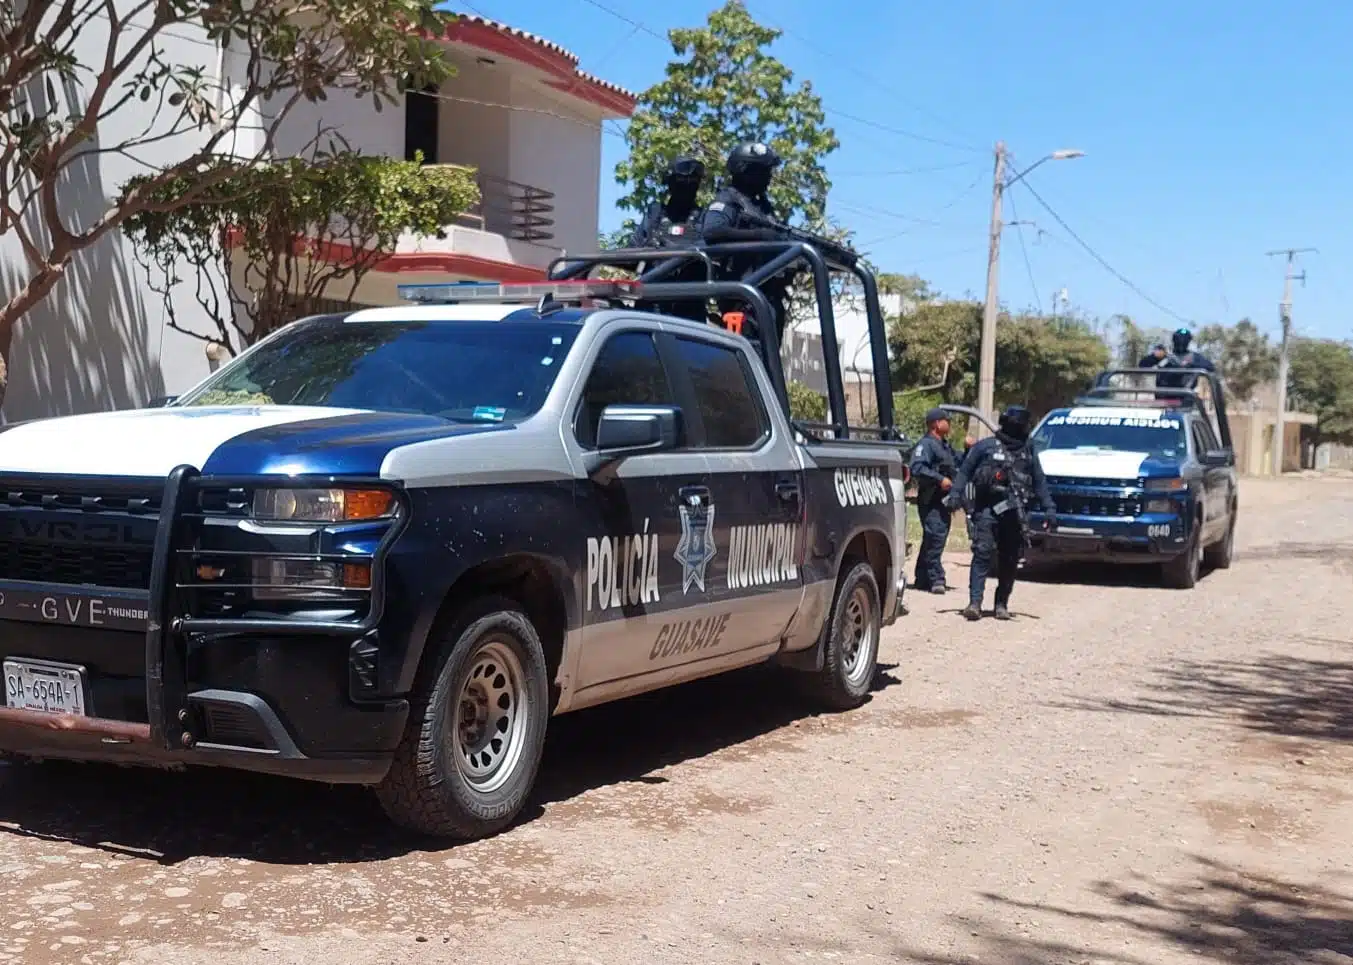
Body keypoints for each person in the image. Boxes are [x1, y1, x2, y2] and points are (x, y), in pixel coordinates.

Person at [947, 405, 1056, 621]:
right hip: (987, 509)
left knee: (1010, 559)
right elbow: (965, 471)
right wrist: (955, 495)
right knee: (982, 553)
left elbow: (1039, 481)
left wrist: (1049, 509)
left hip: (1015, 514)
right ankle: (975, 603)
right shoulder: (986, 447)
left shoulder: (1028, 450)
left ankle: (1001, 604)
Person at [700, 141, 793, 343]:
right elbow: (712, 231)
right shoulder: (728, 200)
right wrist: (759, 235)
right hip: (743, 302)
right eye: (763, 171)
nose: (769, 177)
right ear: (745, 171)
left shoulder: (763, 207)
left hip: (767, 299)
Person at [909, 408, 960, 593]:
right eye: (947, 420)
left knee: (934, 538)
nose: (950, 424)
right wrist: (940, 479)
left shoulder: (944, 446)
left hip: (943, 502)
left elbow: (957, 461)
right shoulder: (926, 445)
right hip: (931, 501)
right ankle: (936, 578)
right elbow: (916, 467)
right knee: (935, 537)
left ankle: (922, 578)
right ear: (936, 424)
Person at [629, 156, 706, 249]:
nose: (688, 184)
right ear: (670, 183)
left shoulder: (704, 218)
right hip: (656, 262)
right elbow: (633, 249)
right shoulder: (655, 215)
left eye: (693, 181)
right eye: (681, 180)